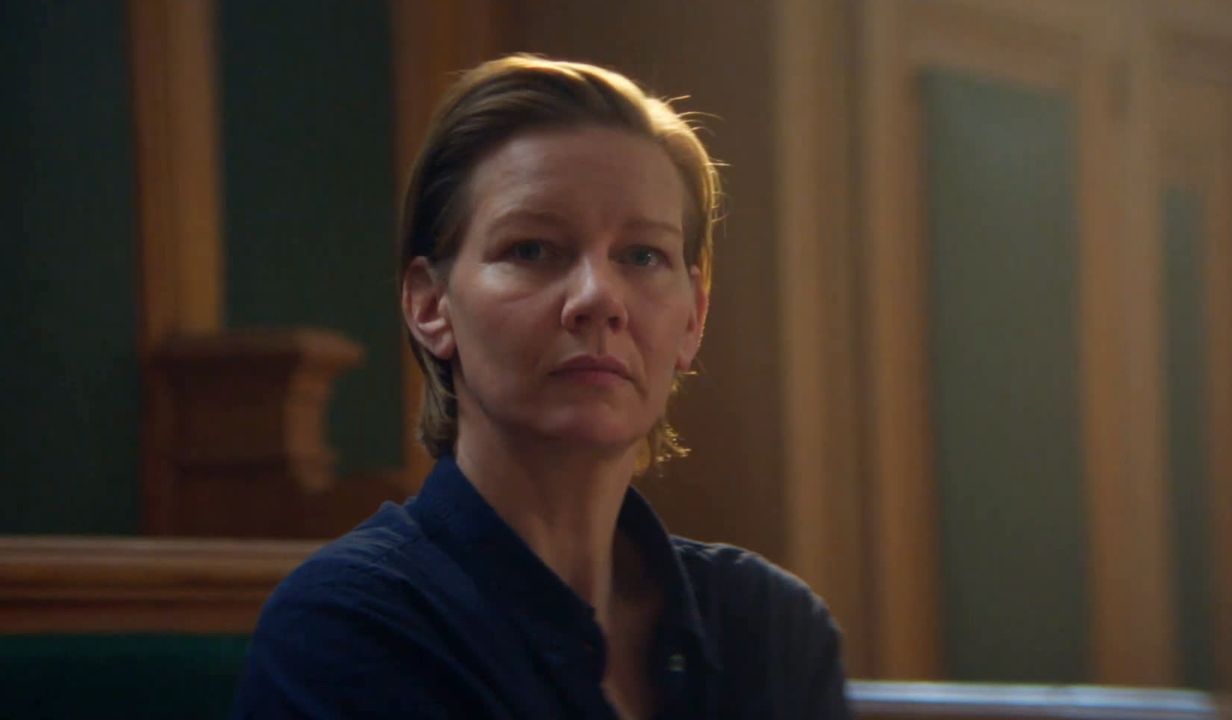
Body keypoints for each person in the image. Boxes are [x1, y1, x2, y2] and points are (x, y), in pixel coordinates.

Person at [234, 54, 851, 719]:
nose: (598, 298)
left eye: (642, 255)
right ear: (430, 306)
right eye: (532, 249)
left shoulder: (771, 631)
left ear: (693, 318)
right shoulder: (351, 627)